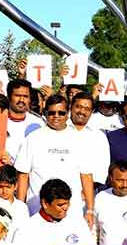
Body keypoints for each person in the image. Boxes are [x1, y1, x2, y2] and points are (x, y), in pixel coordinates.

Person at [15, 94, 95, 225]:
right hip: (38, 210)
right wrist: (20, 208)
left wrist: (90, 210)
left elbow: (86, 176)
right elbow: (23, 175)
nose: (56, 116)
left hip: (71, 211)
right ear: (45, 113)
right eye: (51, 113)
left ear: (68, 113)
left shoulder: (79, 139)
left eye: (61, 113)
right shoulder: (33, 138)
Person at [15, 178, 96, 245]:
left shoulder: (78, 223)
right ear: (45, 204)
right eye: (60, 205)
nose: (65, 207)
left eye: (67, 203)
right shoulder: (27, 229)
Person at [68, 92, 110, 187]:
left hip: (88, 190)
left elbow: (102, 167)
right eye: (78, 107)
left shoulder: (98, 136)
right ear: (71, 107)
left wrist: (90, 189)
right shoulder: (59, 130)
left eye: (87, 109)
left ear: (92, 111)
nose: (82, 111)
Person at [4, 79, 44, 163]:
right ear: (9, 97)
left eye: (25, 96)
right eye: (17, 95)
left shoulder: (39, 123)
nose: (21, 100)